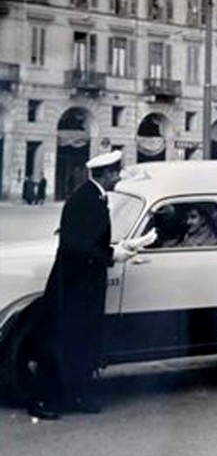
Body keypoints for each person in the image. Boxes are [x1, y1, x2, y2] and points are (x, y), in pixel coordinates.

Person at [28, 151, 137, 420]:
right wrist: (112, 255)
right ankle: (45, 401)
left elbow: (89, 240)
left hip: (81, 286)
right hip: (75, 288)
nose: (119, 177)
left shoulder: (92, 196)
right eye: (115, 172)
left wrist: (114, 247)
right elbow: (76, 247)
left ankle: (76, 396)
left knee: (81, 343)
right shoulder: (86, 200)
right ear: (105, 174)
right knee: (65, 342)